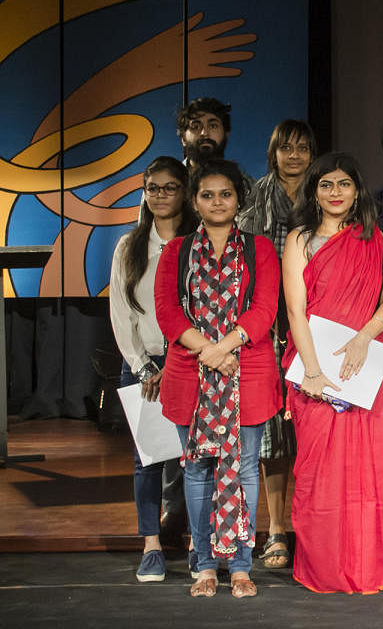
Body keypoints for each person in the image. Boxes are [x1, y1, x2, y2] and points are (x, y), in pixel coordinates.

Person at [153, 158, 281, 598]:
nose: (217, 201)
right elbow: (168, 312)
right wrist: (207, 351)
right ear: (195, 202)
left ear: (238, 200)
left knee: (245, 467)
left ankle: (241, 565)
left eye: (225, 194)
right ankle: (205, 564)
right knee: (198, 469)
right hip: (192, 371)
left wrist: (223, 348)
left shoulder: (259, 248)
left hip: (247, 369)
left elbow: (264, 308)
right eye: (207, 195)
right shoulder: (177, 252)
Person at [281, 152, 383, 594]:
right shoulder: (299, 240)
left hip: (363, 367)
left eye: (343, 184)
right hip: (313, 369)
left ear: (356, 190)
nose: (334, 193)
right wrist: (312, 371)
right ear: (313, 190)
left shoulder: (375, 239)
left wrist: (365, 336)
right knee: (318, 473)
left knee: (365, 470)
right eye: (325, 184)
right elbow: (294, 308)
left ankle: (364, 565)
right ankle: (323, 567)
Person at [109, 156, 197, 582]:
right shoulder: (129, 245)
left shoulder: (198, 242)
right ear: (144, 193)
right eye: (153, 188)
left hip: (190, 360)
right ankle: (152, 546)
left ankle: (200, 542)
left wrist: (182, 359)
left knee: (197, 455)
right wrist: (144, 368)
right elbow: (121, 313)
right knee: (149, 460)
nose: (161, 195)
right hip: (144, 366)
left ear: (185, 192)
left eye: (170, 187)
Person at [239, 119, 316, 571]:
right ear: (273, 152)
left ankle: (310, 528)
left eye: (303, 148)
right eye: (286, 148)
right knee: (272, 441)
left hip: (316, 326)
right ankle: (276, 531)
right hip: (266, 331)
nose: (295, 156)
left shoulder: (324, 194)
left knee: (312, 434)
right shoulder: (252, 201)